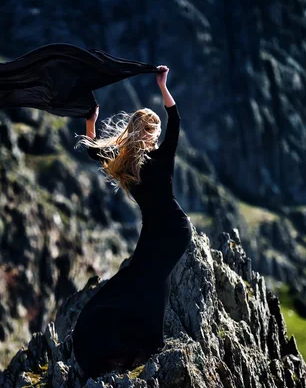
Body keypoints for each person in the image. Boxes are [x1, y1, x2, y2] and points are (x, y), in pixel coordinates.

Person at [71, 66, 193, 378]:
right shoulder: (128, 162)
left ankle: (150, 342)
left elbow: (174, 122)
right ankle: (137, 340)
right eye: (152, 130)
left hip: (175, 231)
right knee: (137, 279)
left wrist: (91, 122)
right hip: (155, 231)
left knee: (151, 280)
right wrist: (91, 122)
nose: (156, 135)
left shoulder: (140, 160)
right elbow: (92, 151)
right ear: (144, 132)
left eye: (156, 130)